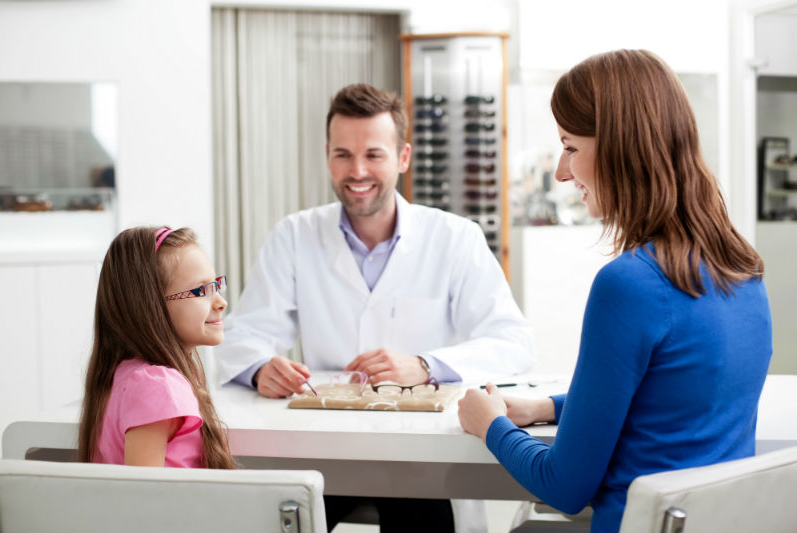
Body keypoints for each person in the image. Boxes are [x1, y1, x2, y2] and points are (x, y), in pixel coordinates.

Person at [457, 49, 772, 533]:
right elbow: (665, 398)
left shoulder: (630, 284)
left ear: (621, 148)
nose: (562, 172)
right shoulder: (743, 269)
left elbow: (564, 487)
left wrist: (489, 424)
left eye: (570, 147)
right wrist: (548, 407)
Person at [215, 83, 535, 532]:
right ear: (327, 156)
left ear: (403, 158)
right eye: (343, 154)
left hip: (421, 454)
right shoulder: (294, 235)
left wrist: (426, 365)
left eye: (374, 155)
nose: (357, 170)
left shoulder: (454, 237)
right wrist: (259, 368)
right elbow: (245, 332)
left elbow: (514, 341)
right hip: (324, 449)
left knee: (425, 518)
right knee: (278, 517)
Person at [78, 226, 235, 469]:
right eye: (202, 290)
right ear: (152, 306)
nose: (221, 302)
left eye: (216, 285)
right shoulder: (157, 384)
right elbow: (144, 497)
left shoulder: (126, 375)